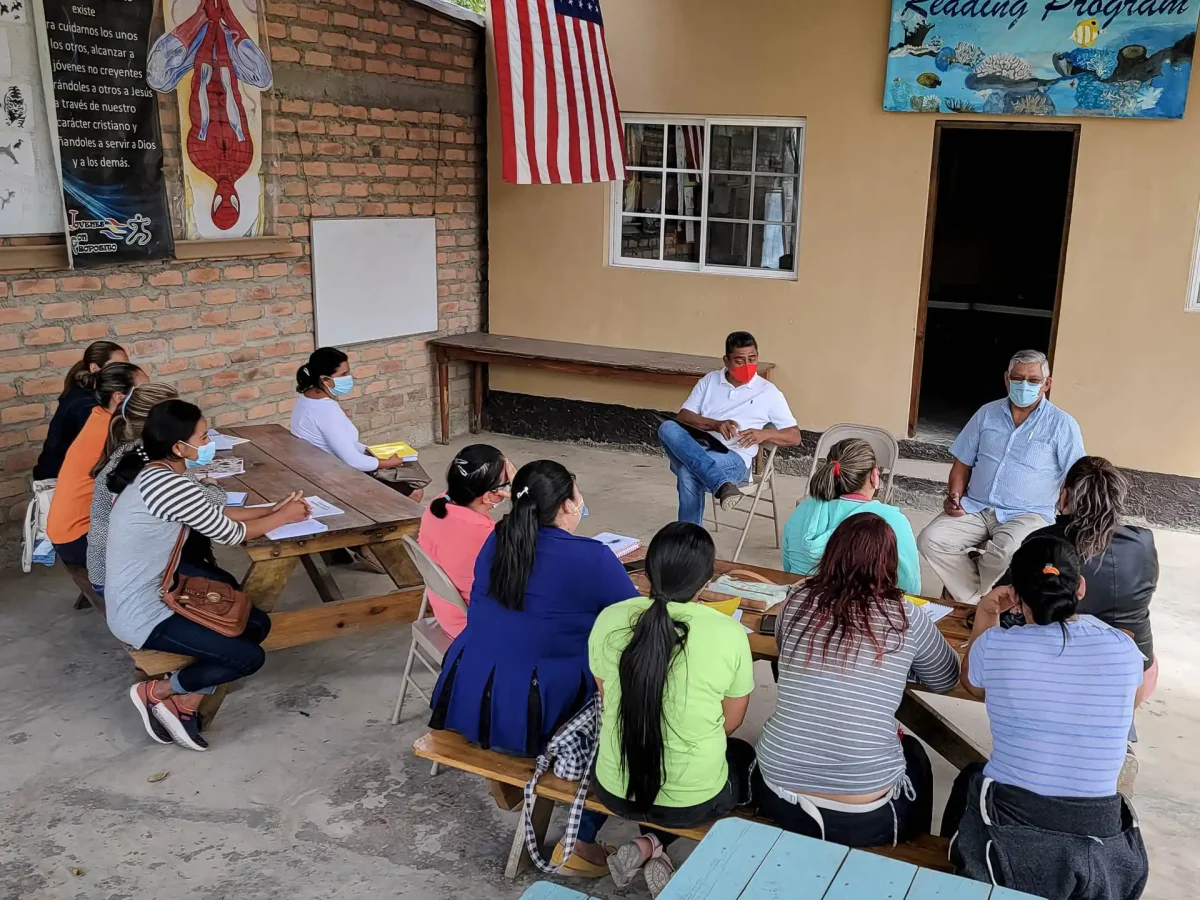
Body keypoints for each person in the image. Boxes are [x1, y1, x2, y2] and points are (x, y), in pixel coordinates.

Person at [943, 535, 1147, 899]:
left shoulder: (998, 645)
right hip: (1099, 834)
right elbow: (1129, 697)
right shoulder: (1123, 648)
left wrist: (988, 614)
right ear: (1080, 587)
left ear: (1016, 596)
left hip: (1011, 828)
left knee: (970, 780)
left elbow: (971, 683)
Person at [105, 400, 311, 752]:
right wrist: (285, 518)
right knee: (247, 657)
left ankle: (183, 705)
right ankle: (157, 692)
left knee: (256, 624)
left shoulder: (158, 474)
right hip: (143, 613)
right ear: (178, 447)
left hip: (158, 593)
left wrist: (272, 509)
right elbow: (230, 533)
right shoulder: (169, 485)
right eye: (203, 437)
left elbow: (212, 509)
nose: (208, 442)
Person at [754, 513, 961, 847]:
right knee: (915, 756)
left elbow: (783, 647)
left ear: (832, 553)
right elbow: (945, 678)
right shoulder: (908, 616)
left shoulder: (796, 600)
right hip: (864, 819)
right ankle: (912, 855)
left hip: (776, 795)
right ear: (890, 563)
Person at [588, 522, 756, 893]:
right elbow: (731, 722)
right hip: (692, 803)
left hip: (614, 791)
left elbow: (605, 698)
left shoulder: (610, 618)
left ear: (647, 572)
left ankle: (649, 844)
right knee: (741, 756)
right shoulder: (728, 633)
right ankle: (655, 846)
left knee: (652, 755)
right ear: (707, 581)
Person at [429, 460, 635, 754]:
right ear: (566, 505)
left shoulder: (498, 537)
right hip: (539, 707)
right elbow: (638, 619)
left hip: (473, 691)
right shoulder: (594, 557)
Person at [917, 349, 1085, 604]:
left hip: (1028, 513)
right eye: (1017, 379)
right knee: (930, 539)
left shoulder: (1062, 425)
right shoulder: (986, 413)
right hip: (976, 506)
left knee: (1007, 553)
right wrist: (954, 495)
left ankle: (966, 598)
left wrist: (1068, 515)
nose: (1024, 385)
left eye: (1033, 380)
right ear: (1007, 379)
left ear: (1047, 384)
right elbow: (962, 463)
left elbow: (1076, 475)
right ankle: (978, 599)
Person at [658, 332, 800, 525]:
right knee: (667, 427)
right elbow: (683, 417)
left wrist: (763, 434)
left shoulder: (768, 392)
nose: (748, 366)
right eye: (740, 361)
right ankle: (722, 484)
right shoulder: (710, 380)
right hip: (699, 446)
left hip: (734, 458)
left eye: (752, 359)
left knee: (687, 471)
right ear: (726, 360)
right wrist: (715, 424)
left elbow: (794, 436)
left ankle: (689, 540)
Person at [782, 438, 921, 595]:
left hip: (800, 605)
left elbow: (788, 567)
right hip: (862, 612)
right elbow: (910, 586)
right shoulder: (892, 520)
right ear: (874, 475)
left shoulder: (804, 509)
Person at [290, 347, 429, 500]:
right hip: (332, 476)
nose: (348, 378)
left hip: (318, 466)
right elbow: (353, 461)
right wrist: (386, 463)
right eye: (343, 374)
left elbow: (342, 444)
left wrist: (371, 453)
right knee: (414, 491)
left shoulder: (306, 399)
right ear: (325, 380)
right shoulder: (326, 410)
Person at [45, 363, 147, 567]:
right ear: (119, 397)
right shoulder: (114, 432)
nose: (150, 397)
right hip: (80, 537)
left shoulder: (100, 416)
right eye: (145, 391)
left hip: (67, 531)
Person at [417, 445, 515, 638]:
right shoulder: (484, 535)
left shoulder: (440, 503)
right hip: (474, 629)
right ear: (489, 495)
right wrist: (525, 499)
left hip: (447, 614)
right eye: (508, 483)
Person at [33, 340, 128, 481]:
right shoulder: (84, 405)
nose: (125, 372)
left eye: (127, 366)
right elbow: (109, 448)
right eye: (118, 366)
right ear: (95, 368)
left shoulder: (92, 394)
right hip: (57, 481)